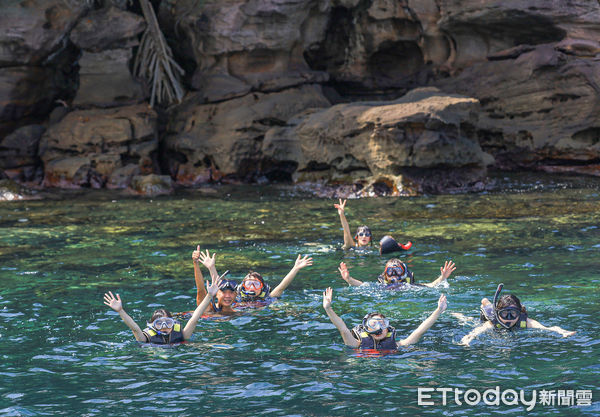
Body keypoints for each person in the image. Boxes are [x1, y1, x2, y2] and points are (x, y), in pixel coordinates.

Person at [102, 276, 219, 345]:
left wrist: (209, 296)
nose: (164, 326)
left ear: (173, 323)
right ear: (153, 326)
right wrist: (120, 310)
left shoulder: (181, 335)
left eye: (168, 322)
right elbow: (134, 328)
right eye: (159, 323)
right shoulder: (145, 339)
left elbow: (194, 318)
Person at [322, 287, 447, 349]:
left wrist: (439, 310)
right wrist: (328, 308)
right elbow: (343, 329)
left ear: (388, 328)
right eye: (373, 324)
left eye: (382, 324)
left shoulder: (398, 345)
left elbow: (420, 331)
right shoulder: (356, 344)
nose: (378, 328)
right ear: (366, 329)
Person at [192, 246, 313, 310]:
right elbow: (219, 287)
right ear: (242, 286)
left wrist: (295, 268)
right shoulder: (235, 298)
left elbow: (282, 286)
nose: (251, 287)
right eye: (248, 283)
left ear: (262, 288)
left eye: (256, 284)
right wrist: (211, 267)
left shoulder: (267, 299)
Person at [460, 283, 576, 346]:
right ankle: (485, 303)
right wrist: (467, 339)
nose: (509, 319)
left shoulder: (526, 322)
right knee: (482, 310)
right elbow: (474, 333)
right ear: (498, 313)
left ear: (519, 313)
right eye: (504, 314)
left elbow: (548, 328)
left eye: (513, 314)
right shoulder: (492, 322)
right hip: (489, 313)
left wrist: (562, 332)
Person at [337, 258, 456, 288]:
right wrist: (349, 279)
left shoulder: (410, 287)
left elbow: (430, 286)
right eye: (390, 271)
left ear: (404, 274)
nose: (394, 274)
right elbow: (362, 285)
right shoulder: (381, 287)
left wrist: (442, 277)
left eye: (398, 271)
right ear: (385, 275)